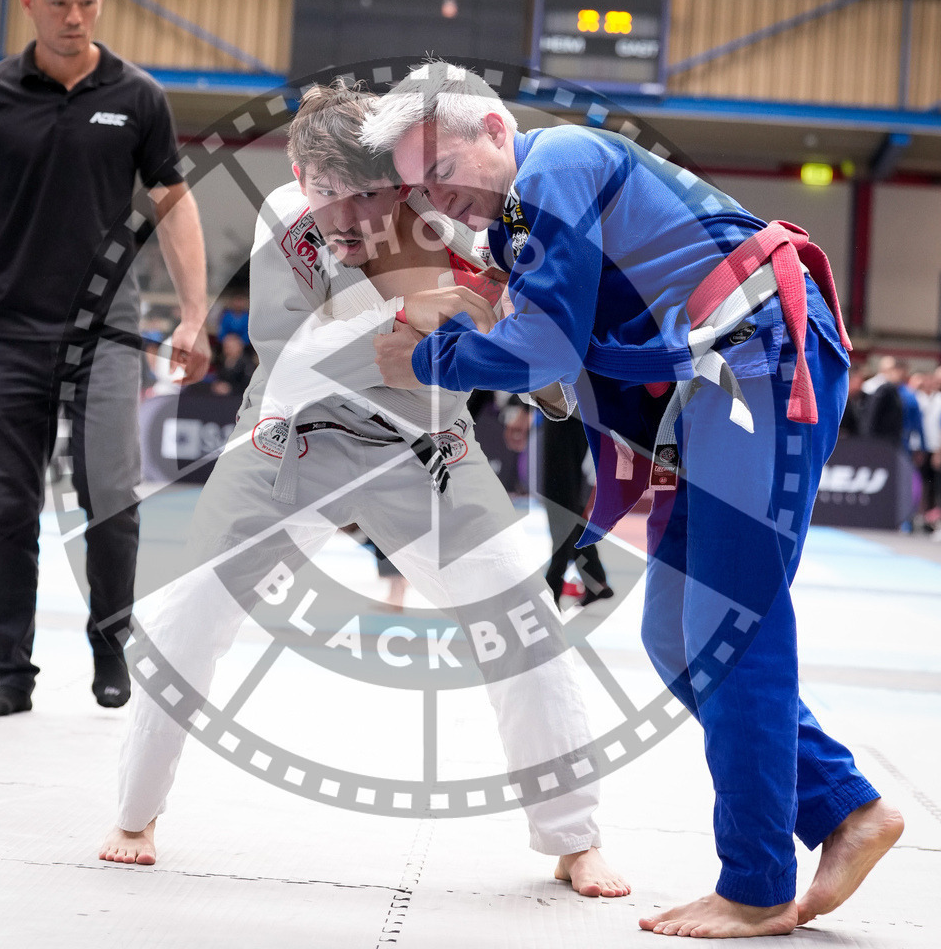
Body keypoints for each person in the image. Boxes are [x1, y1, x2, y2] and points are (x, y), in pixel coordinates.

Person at [363, 61, 903, 939]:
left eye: (444, 173)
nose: (437, 199)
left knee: (730, 623)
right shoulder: (513, 223)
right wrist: (476, 320)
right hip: (712, 397)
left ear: (495, 131)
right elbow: (560, 369)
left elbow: (541, 352)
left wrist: (432, 357)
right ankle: (845, 809)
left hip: (760, 362)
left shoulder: (553, 166)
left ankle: (759, 885)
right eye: (420, 187)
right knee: (672, 636)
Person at [99, 81, 629, 899]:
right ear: (299, 176)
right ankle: (135, 811)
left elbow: (531, 324)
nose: (346, 217)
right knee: (190, 615)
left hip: (429, 458)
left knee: (523, 620)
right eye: (328, 194)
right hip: (289, 447)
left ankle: (573, 837)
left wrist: (508, 332)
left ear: (403, 179)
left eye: (368, 194)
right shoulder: (288, 216)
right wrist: (434, 312)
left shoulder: (454, 212)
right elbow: (293, 354)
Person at [0, 0, 210, 717]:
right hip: (8, 329)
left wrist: (193, 315)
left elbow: (175, 209)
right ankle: (11, 672)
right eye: (59, 2)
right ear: (29, 3)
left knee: (110, 492)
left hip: (106, 330)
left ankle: (110, 645)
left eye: (88, 1)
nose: (75, 16)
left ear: (101, 1)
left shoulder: (139, 96)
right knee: (7, 505)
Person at [504, 402, 614, 606]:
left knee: (561, 502)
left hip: (564, 411)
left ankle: (553, 588)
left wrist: (523, 409)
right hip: (575, 411)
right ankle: (594, 579)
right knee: (568, 502)